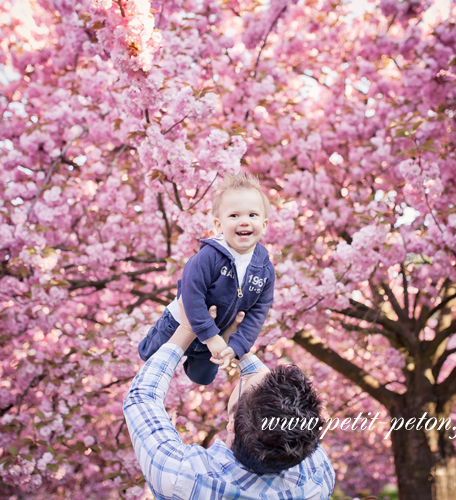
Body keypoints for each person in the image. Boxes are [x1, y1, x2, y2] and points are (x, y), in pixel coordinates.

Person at [124, 304, 336, 499]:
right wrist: (235, 344)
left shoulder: (183, 477)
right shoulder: (317, 475)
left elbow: (141, 397)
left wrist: (187, 328)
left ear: (232, 422)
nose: (260, 371)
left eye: (250, 380)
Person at [138, 173, 276, 385]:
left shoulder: (264, 269)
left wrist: (237, 345)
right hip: (180, 323)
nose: (244, 222)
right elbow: (191, 294)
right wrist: (209, 335)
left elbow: (259, 311)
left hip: (219, 335)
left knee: (202, 378)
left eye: (252, 215)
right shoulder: (209, 256)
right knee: (150, 358)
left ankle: (195, 358)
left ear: (264, 224)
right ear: (219, 225)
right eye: (234, 216)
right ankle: (161, 343)